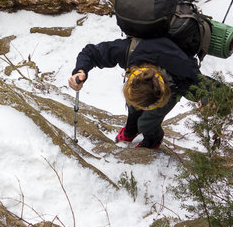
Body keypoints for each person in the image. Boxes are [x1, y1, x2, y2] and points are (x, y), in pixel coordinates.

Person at [67, 36, 202, 149]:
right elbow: (92, 52)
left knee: (147, 123)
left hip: (171, 90)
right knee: (133, 107)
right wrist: (81, 70)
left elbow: (209, 87)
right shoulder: (129, 50)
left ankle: (153, 140)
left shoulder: (183, 73)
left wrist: (205, 99)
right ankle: (131, 130)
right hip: (152, 81)